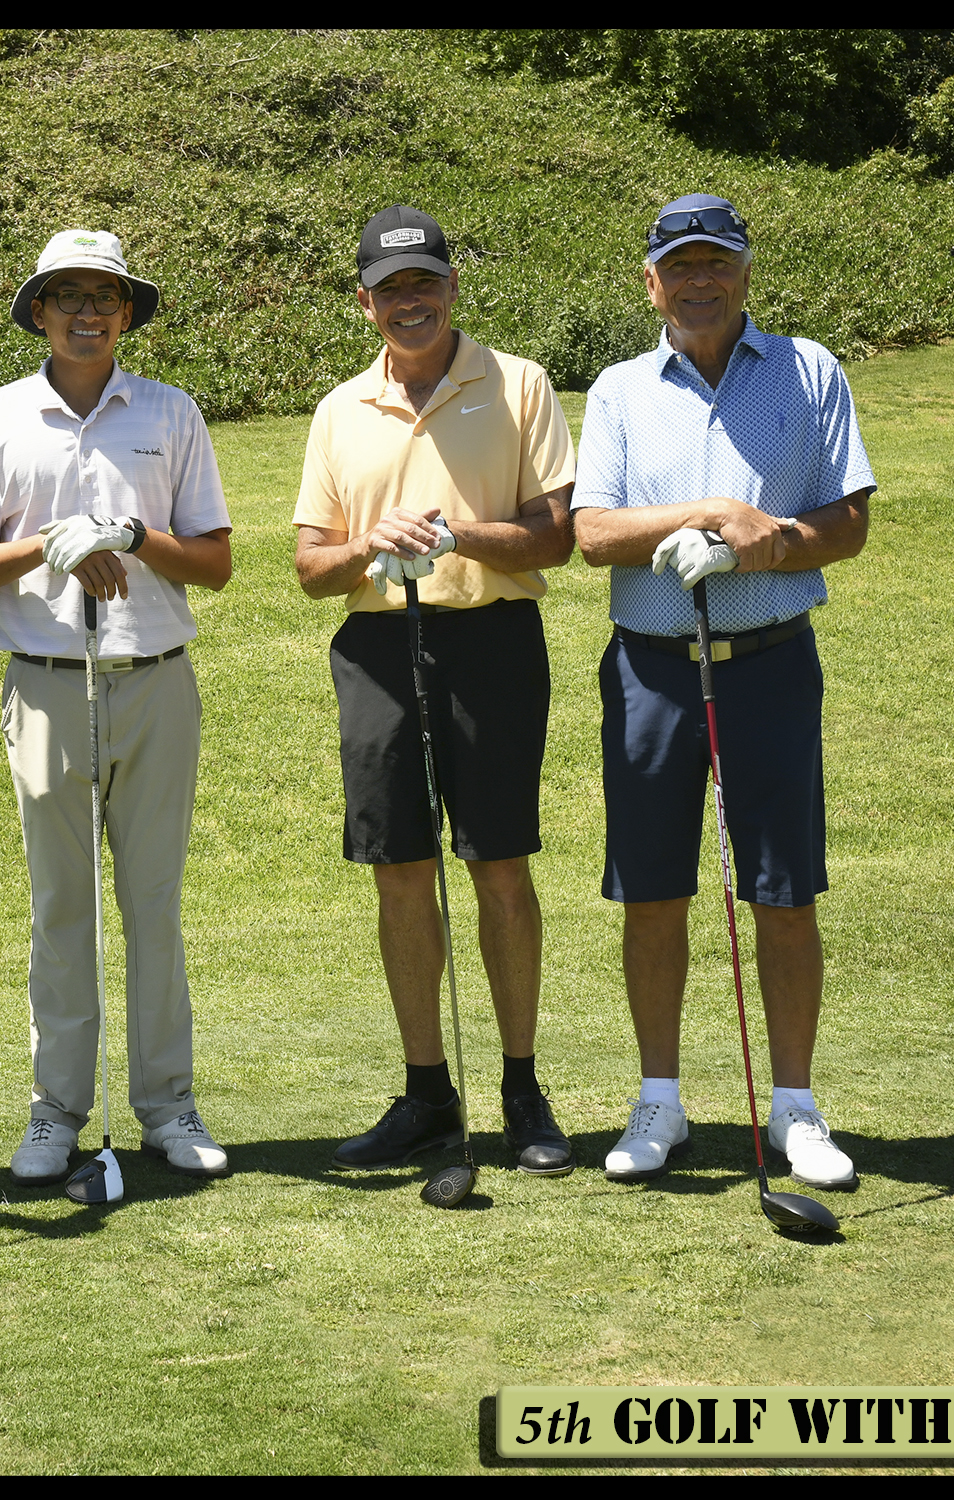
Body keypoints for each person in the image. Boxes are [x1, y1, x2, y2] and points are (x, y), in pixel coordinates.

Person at [572, 194, 874, 1191]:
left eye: (717, 263)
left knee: (784, 890)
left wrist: (762, 544)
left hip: (772, 663)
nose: (699, 281)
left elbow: (847, 523)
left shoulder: (808, 370)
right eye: (681, 267)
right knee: (652, 890)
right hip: (652, 671)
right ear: (651, 283)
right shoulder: (618, 390)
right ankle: (658, 1102)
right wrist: (705, 515)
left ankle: (795, 1109)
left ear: (745, 271)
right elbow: (592, 534)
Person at [0, 229, 235, 1186]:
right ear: (39, 311)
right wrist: (52, 544)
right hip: (46, 685)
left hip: (154, 679)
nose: (87, 313)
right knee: (61, 907)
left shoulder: (170, 411)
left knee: (153, 905)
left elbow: (215, 562)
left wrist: (133, 537)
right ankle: (56, 1111)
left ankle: (169, 1106)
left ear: (126, 313)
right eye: (67, 295)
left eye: (104, 296)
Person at [293, 206, 580, 1176]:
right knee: (400, 870)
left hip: (492, 642)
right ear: (364, 302)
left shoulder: (519, 384)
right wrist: (367, 545)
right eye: (391, 289)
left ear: (453, 287)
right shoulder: (340, 410)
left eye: (426, 282)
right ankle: (426, 1093)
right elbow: (311, 568)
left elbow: (554, 537)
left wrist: (456, 535)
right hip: (379, 649)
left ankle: (522, 1090)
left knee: (499, 865)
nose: (409, 302)